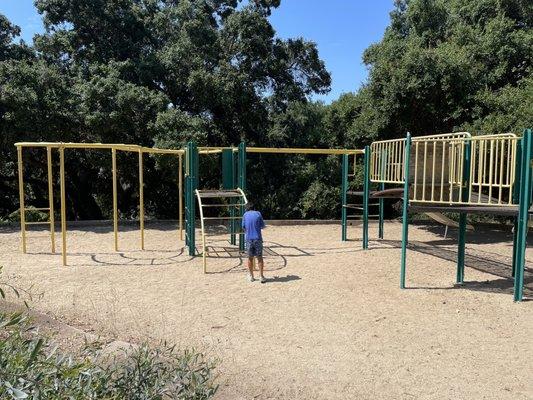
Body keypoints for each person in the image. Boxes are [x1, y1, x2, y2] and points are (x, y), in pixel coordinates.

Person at [241, 202, 266, 283]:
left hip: (249, 238)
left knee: (250, 258)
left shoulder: (245, 215)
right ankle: (261, 276)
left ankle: (251, 276)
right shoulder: (258, 213)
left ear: (247, 208)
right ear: (254, 208)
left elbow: (243, 227)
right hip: (257, 238)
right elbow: (262, 226)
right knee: (259, 258)